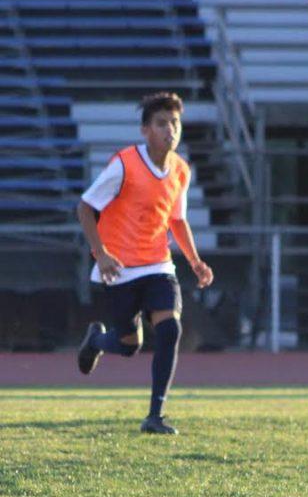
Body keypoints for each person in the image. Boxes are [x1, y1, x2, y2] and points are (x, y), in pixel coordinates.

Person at [76, 92, 213, 435]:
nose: (171, 129)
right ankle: (95, 341)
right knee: (128, 346)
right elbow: (85, 207)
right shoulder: (125, 164)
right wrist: (101, 253)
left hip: (157, 266)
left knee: (170, 329)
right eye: (162, 123)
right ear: (145, 130)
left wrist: (195, 261)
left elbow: (177, 221)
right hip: (118, 268)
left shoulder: (181, 170)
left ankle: (155, 416)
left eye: (175, 123)